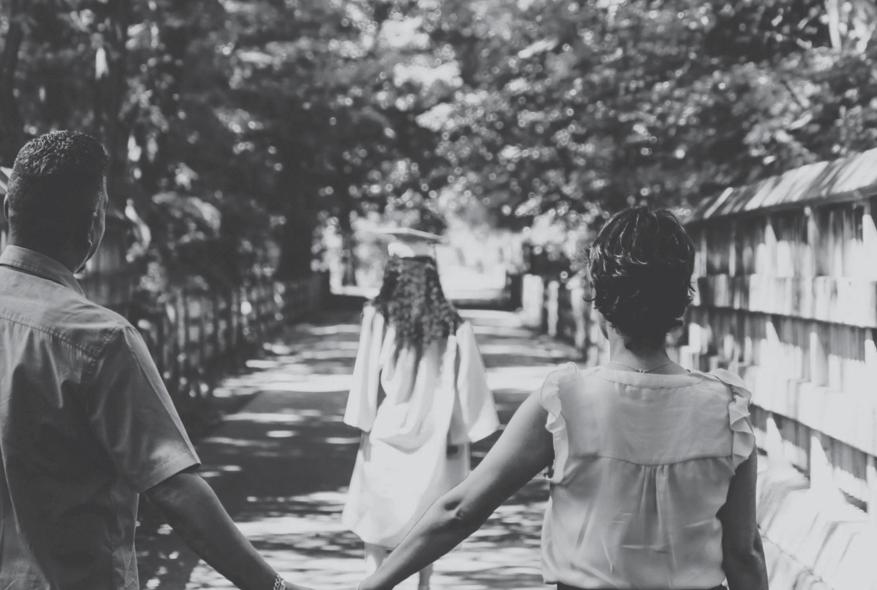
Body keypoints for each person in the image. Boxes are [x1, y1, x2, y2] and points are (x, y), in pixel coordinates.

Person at [356, 207, 769, 590]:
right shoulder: (726, 410)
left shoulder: (564, 401)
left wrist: (373, 585)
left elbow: (459, 511)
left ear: (598, 303)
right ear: (681, 305)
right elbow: (744, 551)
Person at [0, 131, 304, 590]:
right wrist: (275, 587)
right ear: (94, 223)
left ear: (9, 209)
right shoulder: (99, 339)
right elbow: (175, 490)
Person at [342, 228, 500, 590]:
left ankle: (372, 582)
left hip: (387, 432)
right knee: (426, 520)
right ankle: (423, 583)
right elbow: (468, 388)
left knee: (376, 520)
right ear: (432, 274)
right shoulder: (452, 324)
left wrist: (364, 422)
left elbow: (365, 379)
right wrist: (461, 435)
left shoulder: (379, 315)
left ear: (392, 271)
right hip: (435, 435)